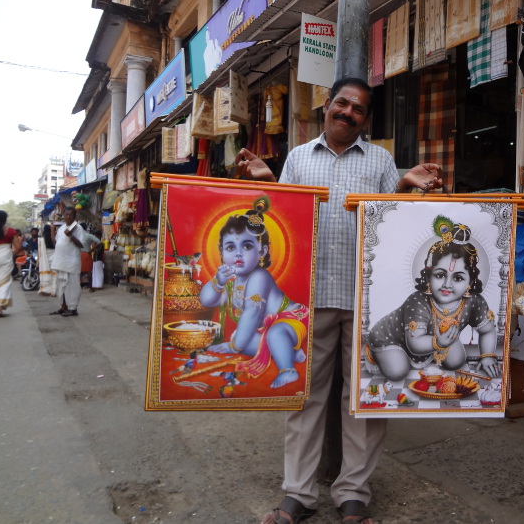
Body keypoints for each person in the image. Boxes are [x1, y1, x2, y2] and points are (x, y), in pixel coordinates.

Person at [234, 77, 443, 524]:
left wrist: (405, 187)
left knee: (365, 396)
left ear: (366, 119)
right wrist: (268, 185)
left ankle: (353, 496)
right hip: (310, 296)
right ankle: (298, 494)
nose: (348, 112)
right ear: (326, 106)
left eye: (359, 109)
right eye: (342, 104)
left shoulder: (381, 160)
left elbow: (395, 222)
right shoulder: (296, 158)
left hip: (369, 299)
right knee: (304, 396)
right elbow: (281, 222)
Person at [367, 218, 500, 382]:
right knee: (397, 371)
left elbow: (487, 330)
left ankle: (437, 348)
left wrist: (487, 356)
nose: (447, 284)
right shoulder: (418, 300)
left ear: (470, 282)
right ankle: (372, 352)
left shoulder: (474, 301)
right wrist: (439, 342)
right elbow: (414, 344)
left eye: (458, 278)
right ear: (429, 276)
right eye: (440, 275)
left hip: (434, 339)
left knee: (456, 361)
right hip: (393, 338)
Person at [198, 196, 309, 389]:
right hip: (266, 329)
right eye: (231, 247)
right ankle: (288, 349)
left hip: (292, 319)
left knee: (273, 334)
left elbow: (252, 312)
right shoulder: (232, 285)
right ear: (222, 253)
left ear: (262, 251)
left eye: (247, 246)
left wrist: (233, 348)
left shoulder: (259, 276)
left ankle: (288, 369)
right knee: (242, 338)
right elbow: (206, 300)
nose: (238, 253)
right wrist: (217, 282)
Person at [50, 207, 85, 317]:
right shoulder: (61, 228)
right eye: (66, 215)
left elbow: (81, 245)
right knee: (61, 286)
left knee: (72, 286)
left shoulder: (78, 228)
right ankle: (64, 307)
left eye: (70, 215)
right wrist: (52, 231)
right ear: (63, 216)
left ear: (75, 216)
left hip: (71, 262)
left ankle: (73, 308)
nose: (68, 217)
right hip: (61, 261)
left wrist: (71, 236)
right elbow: (55, 243)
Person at [38, 223, 57, 297]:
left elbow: (39, 252)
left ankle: (46, 290)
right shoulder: (54, 238)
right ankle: (54, 291)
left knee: (47, 274)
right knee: (54, 275)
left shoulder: (41, 240)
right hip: (54, 257)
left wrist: (38, 262)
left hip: (45, 259)